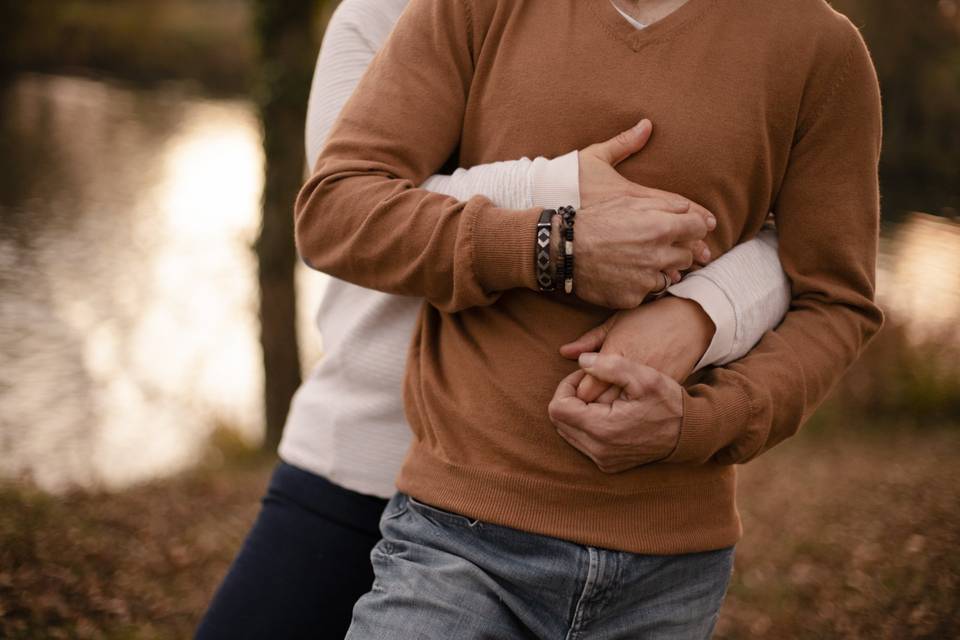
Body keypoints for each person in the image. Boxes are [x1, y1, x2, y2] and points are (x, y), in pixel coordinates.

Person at [196, 0, 791, 637]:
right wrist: (559, 207)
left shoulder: (703, 34)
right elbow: (349, 212)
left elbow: (793, 245)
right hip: (361, 456)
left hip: (547, 489)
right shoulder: (380, 14)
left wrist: (697, 315)